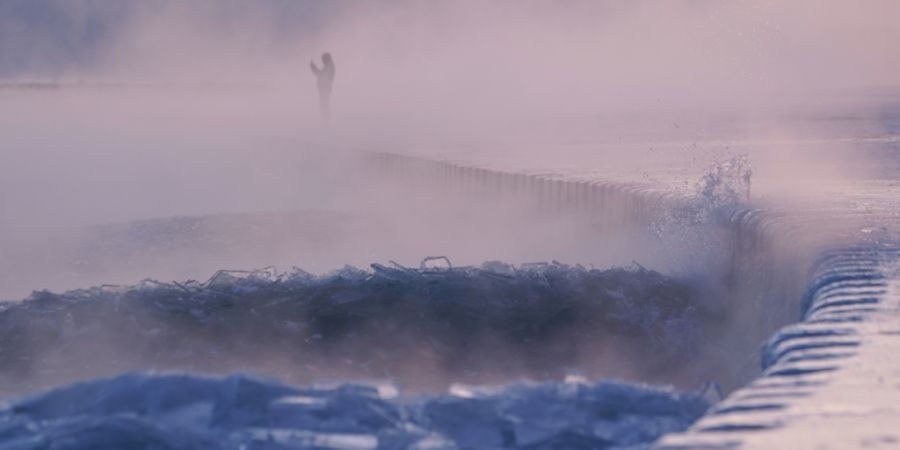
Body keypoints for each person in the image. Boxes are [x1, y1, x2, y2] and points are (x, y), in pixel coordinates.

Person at [310, 52, 335, 118]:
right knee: (323, 105)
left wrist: (313, 67)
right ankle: (326, 120)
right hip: (325, 88)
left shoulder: (329, 68)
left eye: (323, 59)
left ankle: (326, 121)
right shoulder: (329, 67)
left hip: (325, 88)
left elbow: (320, 75)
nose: (322, 61)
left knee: (324, 105)